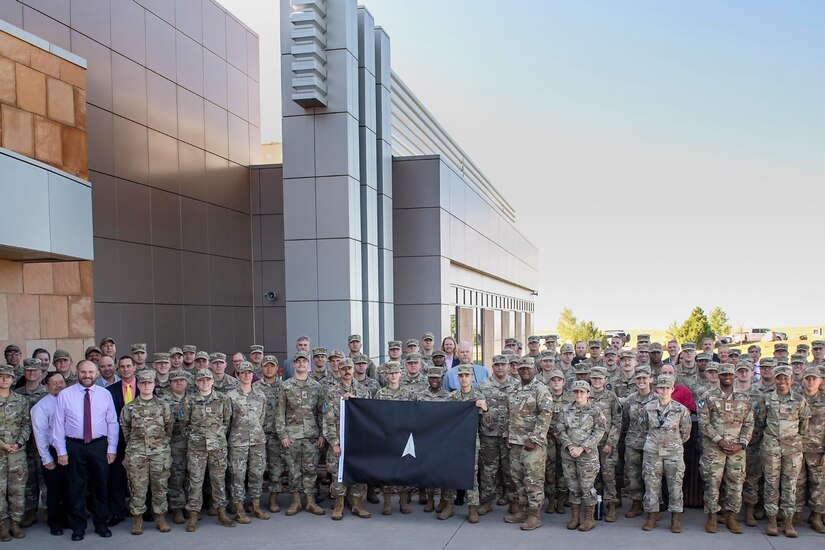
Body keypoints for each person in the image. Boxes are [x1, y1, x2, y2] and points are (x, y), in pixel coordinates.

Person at [52, 360, 118, 541]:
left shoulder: (105, 394)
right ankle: (78, 527)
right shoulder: (65, 394)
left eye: (90, 372)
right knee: (75, 488)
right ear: (77, 372)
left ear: (96, 373)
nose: (87, 376)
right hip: (74, 446)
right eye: (83, 372)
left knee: (101, 486)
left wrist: (111, 448)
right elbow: (58, 424)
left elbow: (112, 422)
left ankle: (101, 524)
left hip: (99, 445)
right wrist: (61, 451)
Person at [697, 363, 754, 534]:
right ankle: (713, 516)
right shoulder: (707, 396)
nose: (727, 377)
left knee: (735, 484)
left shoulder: (744, 398)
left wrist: (741, 443)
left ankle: (731, 517)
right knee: (712, 483)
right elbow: (703, 422)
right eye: (723, 374)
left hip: (737, 450)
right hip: (714, 448)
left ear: (734, 375)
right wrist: (719, 440)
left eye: (729, 374)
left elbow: (749, 423)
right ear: (719, 376)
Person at [757, 365, 811, 537]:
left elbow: (804, 425)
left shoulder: (799, 400)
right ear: (774, 379)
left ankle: (788, 522)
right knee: (771, 484)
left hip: (792, 449)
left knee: (790, 485)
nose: (782, 381)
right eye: (779, 378)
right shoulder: (766, 399)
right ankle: (772, 520)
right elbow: (760, 421)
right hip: (771, 446)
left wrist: (794, 441)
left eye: (785, 378)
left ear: (791, 380)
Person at [120, 369, 173, 535]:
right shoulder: (129, 408)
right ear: (139, 385)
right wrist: (136, 447)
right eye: (143, 383)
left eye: (149, 382)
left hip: (159, 453)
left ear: (154, 384)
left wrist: (159, 445)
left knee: (160, 486)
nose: (146, 386)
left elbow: (169, 428)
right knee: (137, 487)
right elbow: (125, 430)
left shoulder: (163, 406)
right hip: (137, 454)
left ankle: (160, 518)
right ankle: (137, 519)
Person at [504, 357, 553, 531]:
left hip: (533, 444)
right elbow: (509, 414)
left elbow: (545, 415)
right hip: (515, 442)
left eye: (528, 368)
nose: (525, 370)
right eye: (522, 368)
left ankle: (534, 515)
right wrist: (506, 435)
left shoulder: (541, 390)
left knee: (533, 480)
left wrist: (534, 438)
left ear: (535, 370)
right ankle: (523, 510)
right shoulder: (514, 389)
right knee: (518, 479)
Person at [182, 368, 235, 531]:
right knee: (195, 481)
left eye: (208, 379)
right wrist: (194, 438)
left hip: (217, 446)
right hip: (196, 447)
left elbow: (227, 421)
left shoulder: (222, 399)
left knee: (218, 480)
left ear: (213, 381)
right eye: (201, 380)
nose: (205, 383)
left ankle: (221, 513)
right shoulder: (188, 400)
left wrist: (216, 436)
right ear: (196, 382)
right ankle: (193, 515)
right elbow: (184, 425)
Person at [275, 351, 325, 516]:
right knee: (294, 471)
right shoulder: (286, 386)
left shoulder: (316, 387)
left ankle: (310, 502)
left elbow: (320, 413)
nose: (302, 364)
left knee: (310, 470)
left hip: (311, 435)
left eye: (304, 361)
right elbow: (280, 413)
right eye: (299, 362)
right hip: (292, 436)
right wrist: (283, 435)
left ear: (308, 364)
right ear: (294, 365)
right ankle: (296, 502)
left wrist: (322, 434)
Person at [640, 375, 691, 533]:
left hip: (673, 453)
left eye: (667, 388)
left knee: (675, 486)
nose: (664, 391)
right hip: (652, 452)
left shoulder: (680, 409)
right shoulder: (648, 407)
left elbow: (686, 431)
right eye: (661, 388)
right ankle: (651, 516)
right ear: (656, 389)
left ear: (672, 389)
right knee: (651, 485)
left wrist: (673, 443)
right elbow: (643, 428)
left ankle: (675, 519)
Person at [322, 358, 371, 520]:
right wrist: (334, 443)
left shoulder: (364, 391)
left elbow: (370, 416)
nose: (347, 371)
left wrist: (355, 399)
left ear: (354, 369)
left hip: (358, 441)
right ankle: (339, 505)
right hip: (339, 440)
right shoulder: (332, 392)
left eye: (349, 368)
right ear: (339, 370)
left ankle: (357, 504)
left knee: (358, 472)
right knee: (337, 474)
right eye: (343, 368)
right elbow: (327, 420)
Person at [556, 379, 606, 531]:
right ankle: (575, 517)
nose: (578, 394)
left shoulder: (595, 411)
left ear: (588, 394)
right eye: (576, 391)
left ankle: (589, 519)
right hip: (569, 454)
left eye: (582, 392)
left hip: (587, 457)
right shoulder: (565, 410)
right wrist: (570, 446)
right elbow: (559, 429)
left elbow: (599, 431)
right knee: (572, 486)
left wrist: (582, 448)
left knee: (587, 487)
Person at [444, 365, 489, 524]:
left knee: (471, 473)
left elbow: (487, 423)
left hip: (471, 440)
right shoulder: (451, 398)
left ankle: (472, 507)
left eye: (466, 375)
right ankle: (449, 505)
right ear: (457, 378)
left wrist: (484, 408)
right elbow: (444, 420)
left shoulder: (479, 396)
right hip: (453, 441)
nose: (463, 378)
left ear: (472, 378)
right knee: (450, 471)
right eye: (461, 376)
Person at [226, 361, 269, 523]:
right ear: (237, 374)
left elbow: (262, 418)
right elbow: (227, 421)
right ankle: (239, 509)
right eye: (243, 372)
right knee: (238, 475)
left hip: (257, 441)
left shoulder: (260, 396)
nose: (246, 375)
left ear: (252, 375)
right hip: (238, 442)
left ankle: (256, 506)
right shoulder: (231, 396)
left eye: (249, 372)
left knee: (257, 474)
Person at [476, 355, 517, 516]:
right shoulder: (483, 385)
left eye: (503, 364)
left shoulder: (516, 385)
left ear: (508, 366)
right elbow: (478, 408)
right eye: (497, 365)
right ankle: (486, 501)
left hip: (510, 435)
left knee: (511, 470)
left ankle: (514, 502)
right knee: (488, 470)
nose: (500, 367)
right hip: (489, 434)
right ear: (492, 367)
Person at [30, 372, 67, 536]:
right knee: (54, 490)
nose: (59, 385)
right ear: (47, 385)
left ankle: (68, 519)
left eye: (61, 382)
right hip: (52, 452)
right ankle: (55, 523)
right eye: (54, 383)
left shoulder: (69, 400)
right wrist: (47, 458)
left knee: (70, 488)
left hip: (70, 449)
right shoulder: (41, 407)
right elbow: (40, 435)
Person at [374, 362, 412, 515]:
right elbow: (375, 415)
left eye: (396, 373)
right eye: (391, 373)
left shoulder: (408, 393)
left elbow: (414, 413)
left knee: (403, 469)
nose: (393, 376)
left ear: (400, 374)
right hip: (386, 436)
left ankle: (403, 502)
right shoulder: (380, 393)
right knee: (388, 469)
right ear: (387, 375)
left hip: (403, 436)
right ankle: (387, 502)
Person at [0, 364, 31, 540]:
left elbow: (26, 424)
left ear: (13, 379)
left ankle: (15, 523)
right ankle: (1, 525)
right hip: (0, 452)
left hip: (17, 454)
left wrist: (18, 443)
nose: (5, 379)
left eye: (8, 376)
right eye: (1, 376)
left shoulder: (21, 400)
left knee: (17, 489)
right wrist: (3, 445)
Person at [106, 355, 138, 526]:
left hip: (141, 440)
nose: (125, 369)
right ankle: (118, 512)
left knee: (141, 476)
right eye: (122, 367)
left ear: (134, 367)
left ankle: (144, 509)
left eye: (128, 366)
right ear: (118, 370)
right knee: (117, 477)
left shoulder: (145, 386)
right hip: (118, 440)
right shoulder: (110, 391)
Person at [14, 359, 46, 527]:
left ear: (41, 373)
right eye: (28, 370)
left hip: (43, 447)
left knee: (46, 481)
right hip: (24, 447)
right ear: (24, 373)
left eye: (35, 370)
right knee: (28, 482)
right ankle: (30, 512)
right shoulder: (16, 394)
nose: (32, 373)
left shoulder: (47, 394)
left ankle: (49, 511)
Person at [414, 367, 450, 514]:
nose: (434, 381)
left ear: (442, 378)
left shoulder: (449, 397)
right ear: (427, 378)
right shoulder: (420, 396)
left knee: (442, 469)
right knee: (428, 469)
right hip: (426, 437)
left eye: (437, 378)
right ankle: (430, 500)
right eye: (431, 378)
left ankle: (443, 500)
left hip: (443, 438)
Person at [587, 366, 622, 522]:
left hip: (606, 443)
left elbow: (617, 421)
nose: (597, 381)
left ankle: (611, 506)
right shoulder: (585, 395)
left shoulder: (611, 397)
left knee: (608, 476)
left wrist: (611, 442)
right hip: (590, 444)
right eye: (594, 378)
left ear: (605, 380)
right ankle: (593, 506)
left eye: (600, 378)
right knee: (593, 477)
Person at [622, 367, 656, 519]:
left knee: (651, 476)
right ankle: (636, 504)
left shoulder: (657, 399)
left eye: (644, 378)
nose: (641, 381)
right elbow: (625, 421)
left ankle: (652, 508)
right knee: (633, 475)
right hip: (633, 443)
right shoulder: (630, 400)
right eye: (638, 378)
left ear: (651, 379)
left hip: (652, 443)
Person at [253, 356, 285, 513]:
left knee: (276, 468)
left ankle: (273, 499)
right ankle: (256, 501)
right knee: (257, 468)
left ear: (277, 367)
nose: (268, 369)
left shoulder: (283, 387)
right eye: (266, 366)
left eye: (272, 366)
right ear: (261, 367)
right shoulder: (255, 387)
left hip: (276, 434)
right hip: (259, 434)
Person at [797, 366, 825, 533]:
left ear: (820, 381)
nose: (810, 382)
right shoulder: (796, 399)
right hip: (797, 448)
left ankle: (816, 515)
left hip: (818, 450)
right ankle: (795, 514)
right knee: (797, 483)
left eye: (814, 379)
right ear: (803, 380)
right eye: (808, 378)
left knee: (819, 484)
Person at [163, 369, 190, 524]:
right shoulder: (164, 401)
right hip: (174, 445)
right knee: (176, 477)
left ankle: (190, 507)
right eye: (175, 380)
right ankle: (177, 509)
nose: (179, 382)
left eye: (181, 380)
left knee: (191, 476)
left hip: (193, 444)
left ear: (186, 382)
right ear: (170, 383)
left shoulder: (193, 399)